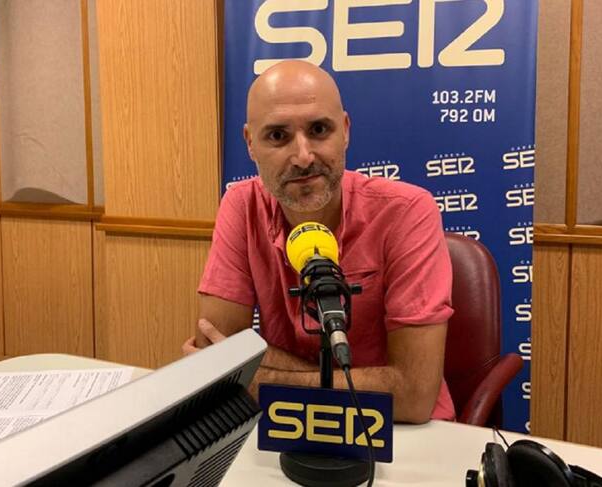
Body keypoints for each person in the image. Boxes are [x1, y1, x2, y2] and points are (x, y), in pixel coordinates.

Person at [182, 60, 455, 423]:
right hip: (288, 422)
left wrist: (255, 378)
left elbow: (413, 396)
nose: (303, 156)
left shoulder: (408, 211)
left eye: (319, 129)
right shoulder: (241, 204)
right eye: (277, 136)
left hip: (396, 429)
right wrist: (359, 381)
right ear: (250, 144)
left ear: (345, 131)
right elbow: (214, 350)